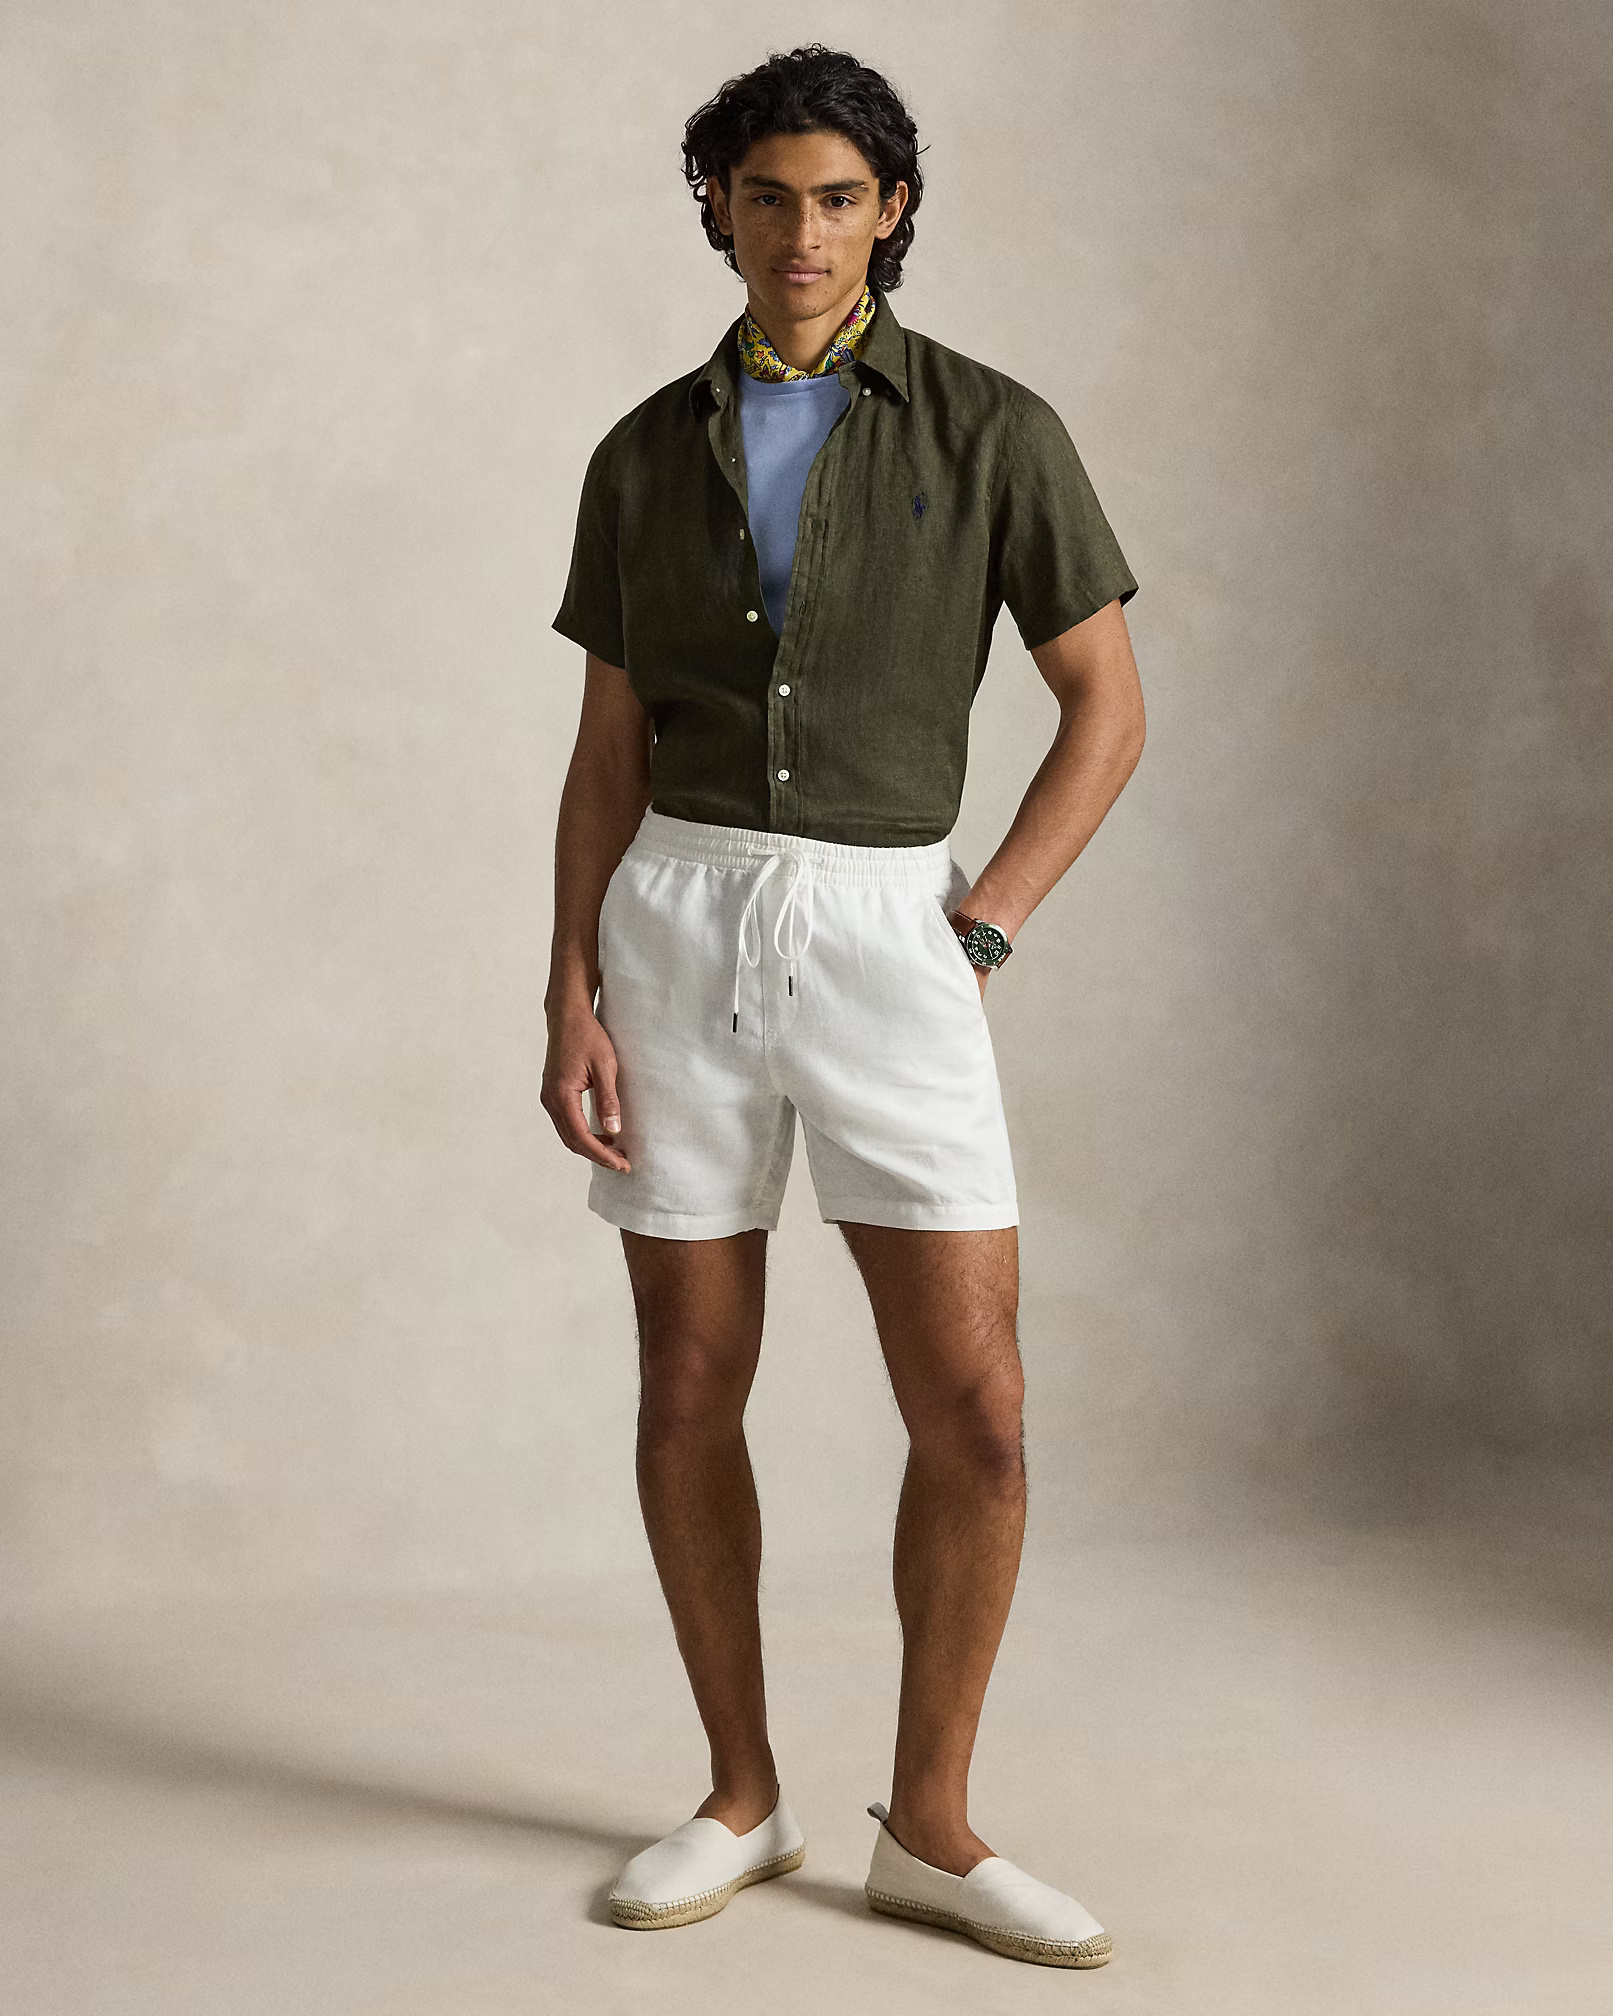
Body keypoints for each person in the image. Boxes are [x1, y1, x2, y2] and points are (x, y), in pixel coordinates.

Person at [542, 44, 1144, 1970]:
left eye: (835, 197)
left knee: (975, 1411)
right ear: (713, 208)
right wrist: (568, 988)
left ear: (890, 210)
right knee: (686, 1385)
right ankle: (741, 1795)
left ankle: (932, 1830)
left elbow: (1105, 706)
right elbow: (607, 751)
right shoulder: (642, 453)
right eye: (763, 195)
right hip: (676, 917)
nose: (798, 233)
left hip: (896, 926)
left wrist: (983, 925)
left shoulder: (993, 430)